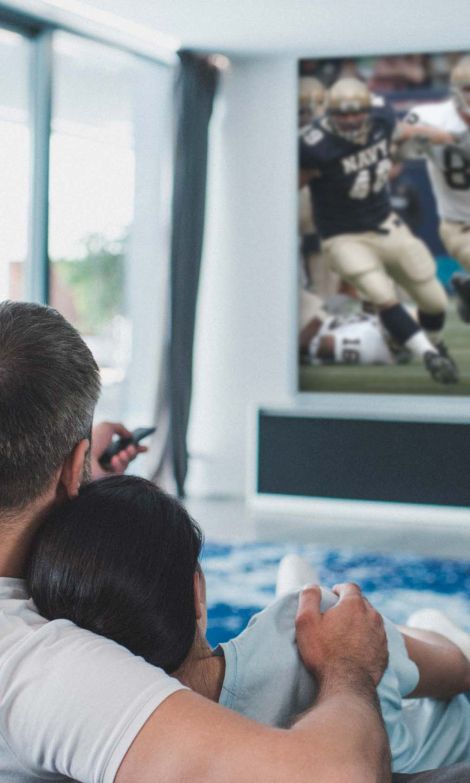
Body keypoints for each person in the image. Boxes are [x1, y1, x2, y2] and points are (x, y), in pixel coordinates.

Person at [0, 299, 468, 783]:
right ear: (197, 592)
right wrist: (348, 665)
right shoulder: (39, 667)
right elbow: (338, 774)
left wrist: (79, 473)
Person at [26, 475, 470, 774]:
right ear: (197, 593)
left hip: (307, 656)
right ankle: (325, 605)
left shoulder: (83, 737)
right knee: (391, 633)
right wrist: (352, 659)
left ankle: (303, 599)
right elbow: (456, 672)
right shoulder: (317, 649)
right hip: (433, 730)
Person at [299, 77, 459, 384]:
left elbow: (406, 131)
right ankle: (429, 355)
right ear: (329, 113)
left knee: (434, 299)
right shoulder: (314, 146)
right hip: (344, 235)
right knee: (381, 294)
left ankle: (435, 345)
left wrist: (446, 138)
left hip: (385, 223)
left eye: (356, 113)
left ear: (367, 110)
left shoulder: (382, 118)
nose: (349, 120)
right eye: (342, 114)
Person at [404, 54, 470, 322]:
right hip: (461, 226)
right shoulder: (434, 116)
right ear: (455, 91)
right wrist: (436, 136)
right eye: (469, 88)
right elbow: (396, 132)